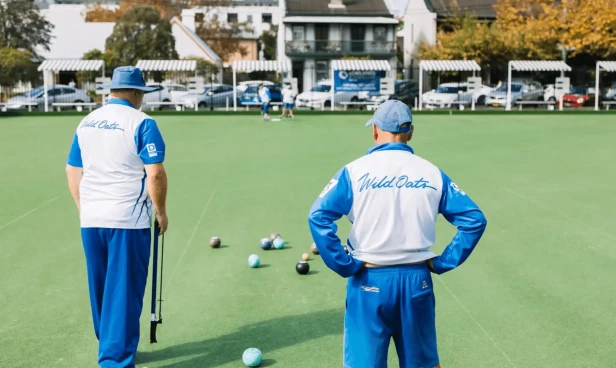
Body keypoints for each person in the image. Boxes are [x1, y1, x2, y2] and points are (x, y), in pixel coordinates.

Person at [307, 99, 487, 368]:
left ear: (375, 130)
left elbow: (318, 216)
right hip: (417, 281)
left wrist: (343, 264)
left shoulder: (353, 171)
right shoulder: (433, 172)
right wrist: (442, 262)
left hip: (368, 278)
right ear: (411, 132)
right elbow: (474, 220)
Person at [65, 66, 168, 368]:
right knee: (123, 292)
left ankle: (112, 345)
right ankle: (115, 361)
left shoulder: (86, 122)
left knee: (100, 289)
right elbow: (156, 173)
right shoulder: (143, 122)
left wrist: (84, 208)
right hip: (128, 221)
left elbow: (73, 170)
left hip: (91, 219)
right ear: (137, 93)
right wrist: (161, 213)